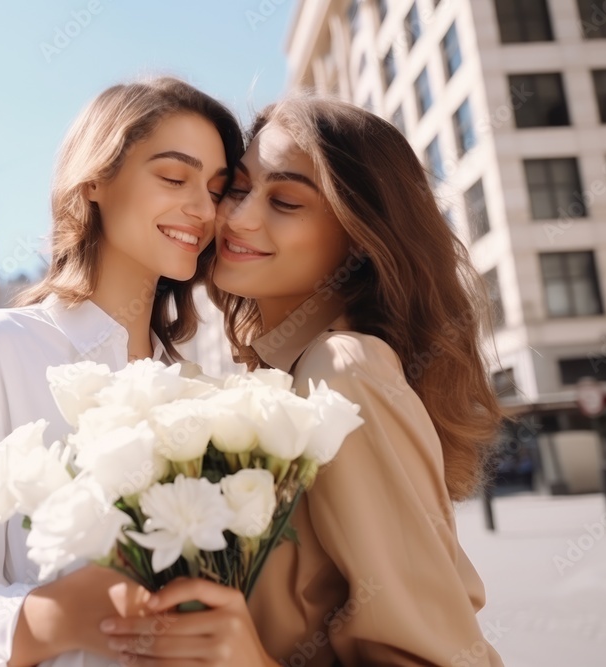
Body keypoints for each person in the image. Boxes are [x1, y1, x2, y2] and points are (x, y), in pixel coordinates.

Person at [96, 97, 506, 665]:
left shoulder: (343, 371)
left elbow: (436, 653)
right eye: (237, 189)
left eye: (286, 201)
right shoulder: (279, 376)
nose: (238, 218)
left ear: (360, 238)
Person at [0, 77, 244, 667]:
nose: (202, 210)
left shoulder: (199, 393)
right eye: (174, 178)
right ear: (94, 179)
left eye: (217, 190)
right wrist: (54, 616)